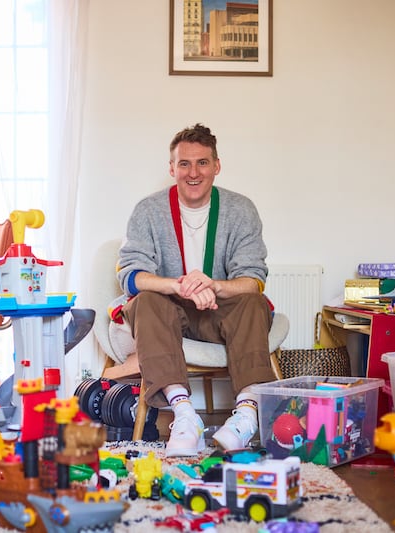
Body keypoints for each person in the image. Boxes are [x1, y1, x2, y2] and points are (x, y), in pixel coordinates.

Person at [116, 123, 277, 457]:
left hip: (219, 312)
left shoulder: (241, 209)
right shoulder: (148, 210)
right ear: (172, 168)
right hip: (168, 314)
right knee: (145, 301)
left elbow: (253, 277)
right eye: (184, 163)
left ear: (216, 166)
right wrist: (179, 285)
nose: (193, 172)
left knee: (253, 301)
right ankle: (185, 416)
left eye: (202, 162)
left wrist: (212, 284)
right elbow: (130, 275)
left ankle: (246, 416)